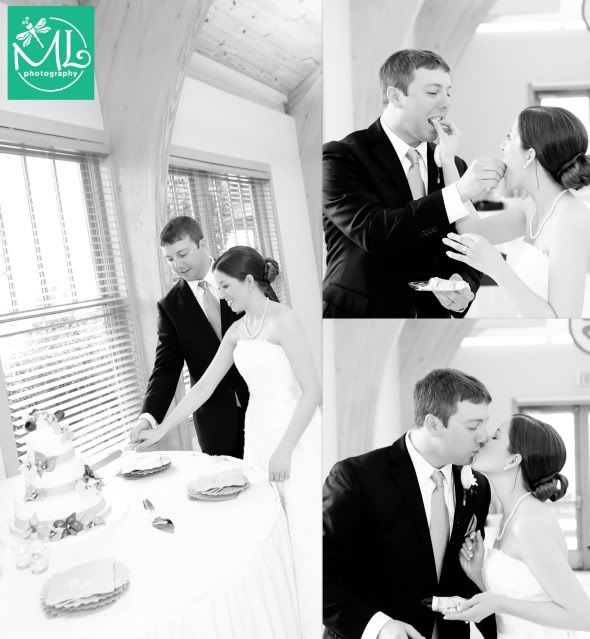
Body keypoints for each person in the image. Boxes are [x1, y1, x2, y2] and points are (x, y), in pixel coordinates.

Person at [133, 245, 322, 638]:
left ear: (249, 282)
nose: (221, 295)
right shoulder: (237, 331)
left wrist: (286, 448)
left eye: (225, 287)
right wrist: (162, 427)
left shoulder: (284, 321)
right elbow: (202, 388)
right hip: (259, 433)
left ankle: (315, 619)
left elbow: (312, 392)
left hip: (294, 433)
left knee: (303, 529)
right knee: (272, 525)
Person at [322, 48, 505, 318]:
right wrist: (459, 193)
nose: (445, 103)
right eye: (433, 92)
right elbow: (376, 233)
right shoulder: (340, 157)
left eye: (448, 93)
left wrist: (463, 282)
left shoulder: (454, 165)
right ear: (395, 96)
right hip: (358, 318)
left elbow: (468, 240)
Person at [323, 368, 497, 639]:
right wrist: (378, 626)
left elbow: (464, 574)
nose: (484, 436)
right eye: (473, 426)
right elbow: (321, 575)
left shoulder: (478, 488)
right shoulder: (356, 477)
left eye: (485, 424)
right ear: (433, 424)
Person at [445, 414, 590, 638]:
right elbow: (524, 595)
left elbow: (583, 615)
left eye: (495, 437)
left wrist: (498, 604)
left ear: (513, 460)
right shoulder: (512, 515)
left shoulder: (530, 521)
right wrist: (478, 574)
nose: (484, 439)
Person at [442, 106, 590, 317]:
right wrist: (448, 162)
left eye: (509, 138)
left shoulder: (570, 219)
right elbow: (472, 230)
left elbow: (562, 322)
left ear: (529, 156)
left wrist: (497, 268)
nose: (502, 146)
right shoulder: (530, 207)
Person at [128, 216, 249, 458]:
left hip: (264, 404)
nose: (177, 265)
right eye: (169, 259)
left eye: (182, 254)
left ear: (202, 244)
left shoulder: (242, 275)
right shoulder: (170, 307)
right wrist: (147, 418)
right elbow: (165, 370)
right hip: (216, 427)